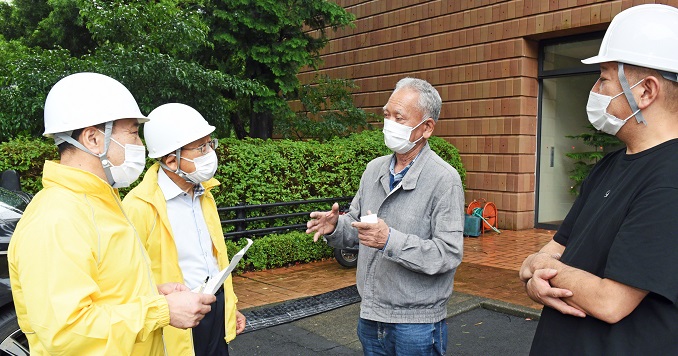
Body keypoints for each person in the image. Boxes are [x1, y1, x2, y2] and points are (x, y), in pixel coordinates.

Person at [8, 72, 216, 354]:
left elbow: (105, 292)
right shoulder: (57, 219)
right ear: (93, 138)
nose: (140, 146)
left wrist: (153, 294)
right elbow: (68, 332)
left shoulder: (100, 202)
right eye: (132, 132)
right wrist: (160, 310)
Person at [519, 4, 678, 355]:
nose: (596, 89)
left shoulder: (671, 180)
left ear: (646, 91)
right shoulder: (609, 166)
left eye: (604, 77)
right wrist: (535, 276)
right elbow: (551, 251)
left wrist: (541, 270)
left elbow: (611, 301)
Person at [306, 77, 464, 355]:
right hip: (371, 314)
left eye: (399, 118)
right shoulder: (374, 169)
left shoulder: (444, 179)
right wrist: (335, 227)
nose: (389, 124)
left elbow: (447, 254)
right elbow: (358, 226)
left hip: (416, 323)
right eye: (386, 116)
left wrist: (389, 239)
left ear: (426, 128)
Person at [123, 103, 246, 356]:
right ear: (171, 159)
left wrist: (230, 307)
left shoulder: (205, 193)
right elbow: (128, 281)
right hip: (176, 315)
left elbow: (214, 259)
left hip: (214, 303)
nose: (210, 153)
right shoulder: (139, 206)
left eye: (211, 144)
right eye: (201, 147)